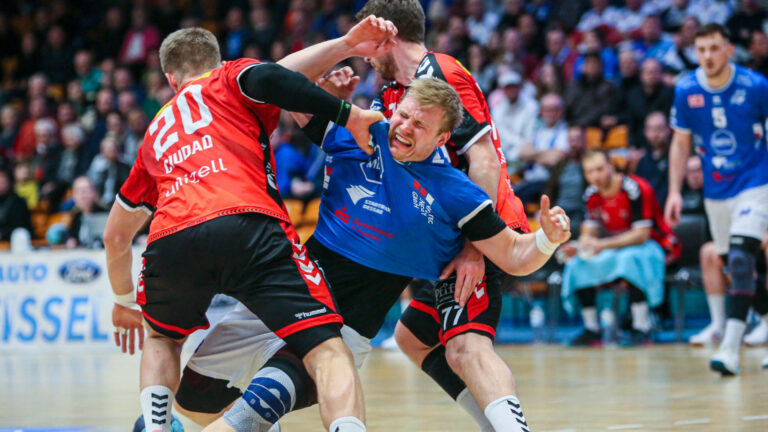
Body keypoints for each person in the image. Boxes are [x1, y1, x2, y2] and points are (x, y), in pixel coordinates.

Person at [176, 77, 570, 432]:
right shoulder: (362, 131)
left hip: (346, 322)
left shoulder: (454, 191)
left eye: (420, 125)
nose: (405, 127)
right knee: (194, 397)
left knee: (274, 390)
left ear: (442, 138)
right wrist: (333, 77)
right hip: (285, 292)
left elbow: (515, 256)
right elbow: (278, 82)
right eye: (404, 115)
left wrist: (547, 239)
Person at [105, 25, 394, 432]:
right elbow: (276, 75)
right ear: (217, 61)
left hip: (172, 237)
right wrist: (350, 106)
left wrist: (123, 300)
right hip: (247, 222)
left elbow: (115, 236)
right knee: (326, 347)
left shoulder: (155, 134)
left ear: (170, 79)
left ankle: (156, 428)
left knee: (162, 339)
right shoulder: (229, 77)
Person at [666, 23, 768, 376]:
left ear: (729, 50)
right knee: (742, 264)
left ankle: (729, 350)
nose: (708, 56)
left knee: (740, 259)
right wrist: (675, 191)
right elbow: (680, 143)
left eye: (714, 48)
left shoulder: (756, 85)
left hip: (756, 182)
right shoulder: (686, 89)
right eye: (701, 49)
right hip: (716, 191)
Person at [560, 149, 680, 346]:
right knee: (578, 263)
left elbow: (641, 235)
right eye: (589, 172)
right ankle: (592, 328)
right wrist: (578, 246)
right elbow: (589, 231)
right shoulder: (591, 194)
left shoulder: (635, 188)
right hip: (616, 247)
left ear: (611, 166)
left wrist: (600, 245)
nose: (595, 176)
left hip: (654, 244)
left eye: (599, 169)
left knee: (630, 260)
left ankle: (641, 327)